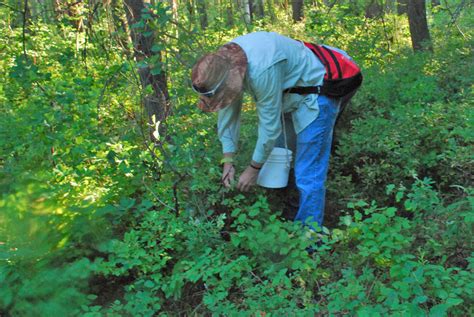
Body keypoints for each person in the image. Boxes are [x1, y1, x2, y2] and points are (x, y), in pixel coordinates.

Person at [191, 31, 349, 231]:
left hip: (319, 89)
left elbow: (269, 127)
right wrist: (227, 161)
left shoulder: (261, 71)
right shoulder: (224, 64)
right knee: (286, 158)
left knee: (308, 171)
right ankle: (291, 218)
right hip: (291, 94)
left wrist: (253, 169)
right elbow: (228, 115)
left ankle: (310, 240)